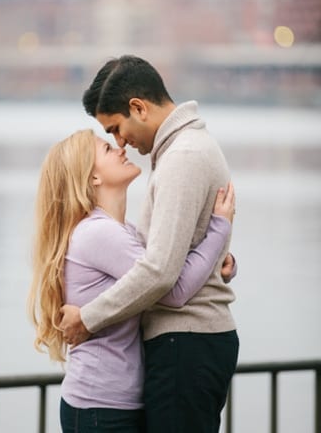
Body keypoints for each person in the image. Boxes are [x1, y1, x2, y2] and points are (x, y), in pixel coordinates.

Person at [58, 55, 239, 432]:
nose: (121, 142)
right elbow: (166, 252)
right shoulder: (181, 152)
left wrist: (87, 318)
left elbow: (158, 273)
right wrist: (220, 253)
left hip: (186, 341)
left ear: (138, 108)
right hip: (186, 343)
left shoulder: (182, 157)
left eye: (116, 129)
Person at [28, 129, 235, 432]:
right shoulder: (99, 234)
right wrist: (219, 230)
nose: (121, 149)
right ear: (93, 178)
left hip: (114, 403)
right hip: (102, 407)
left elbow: (169, 270)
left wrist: (221, 264)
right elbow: (173, 289)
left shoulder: (122, 231)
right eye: (108, 150)